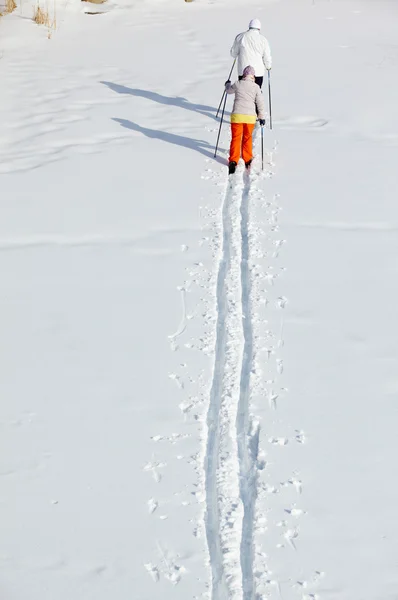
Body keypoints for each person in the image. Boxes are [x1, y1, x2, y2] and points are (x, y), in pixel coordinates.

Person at [225, 65, 266, 174]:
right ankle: (247, 159)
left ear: (243, 75)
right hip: (250, 118)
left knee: (236, 138)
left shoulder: (238, 84)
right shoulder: (256, 87)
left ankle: (233, 160)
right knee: (247, 137)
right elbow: (260, 103)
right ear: (253, 76)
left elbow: (228, 91)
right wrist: (261, 116)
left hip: (237, 116)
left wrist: (227, 84)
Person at [230, 18, 272, 89]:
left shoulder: (240, 37)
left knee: (243, 93)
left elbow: (233, 53)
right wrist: (268, 66)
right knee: (256, 93)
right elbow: (267, 56)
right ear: (259, 28)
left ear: (249, 26)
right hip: (258, 73)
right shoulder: (263, 40)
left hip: (243, 72)